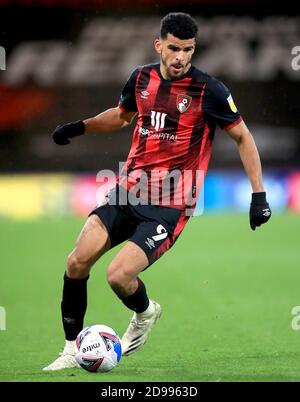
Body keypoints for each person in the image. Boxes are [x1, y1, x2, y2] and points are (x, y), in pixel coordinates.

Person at [43, 12, 271, 371]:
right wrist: (78, 128)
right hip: (129, 190)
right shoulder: (141, 78)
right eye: (174, 48)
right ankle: (71, 348)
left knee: (118, 276)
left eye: (189, 50)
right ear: (159, 45)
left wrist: (258, 196)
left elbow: (243, 137)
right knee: (76, 261)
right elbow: (120, 117)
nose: (181, 57)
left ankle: (145, 312)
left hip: (171, 203)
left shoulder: (210, 90)